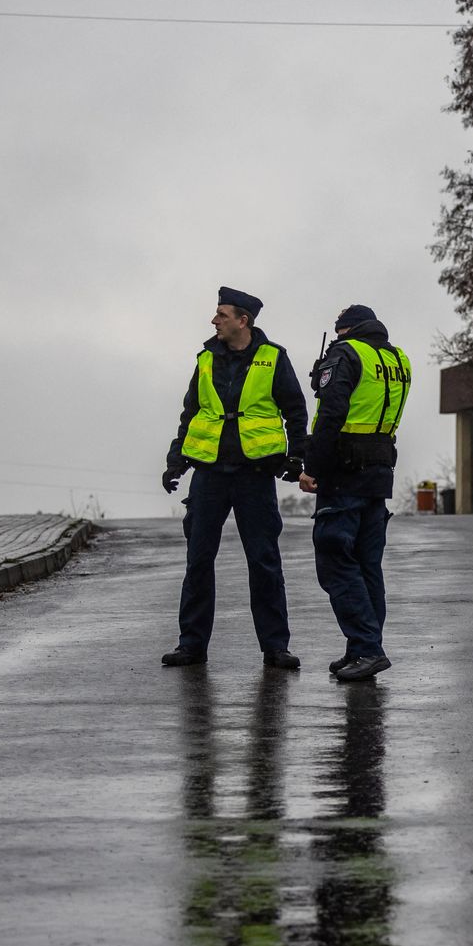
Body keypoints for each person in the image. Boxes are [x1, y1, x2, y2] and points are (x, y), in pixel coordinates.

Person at [161, 286, 309, 670]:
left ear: (243, 320)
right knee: (198, 560)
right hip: (209, 474)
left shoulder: (273, 358)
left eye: (222, 315)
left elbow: (295, 410)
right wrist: (176, 461)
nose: (214, 321)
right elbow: (191, 412)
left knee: (263, 561)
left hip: (254, 475)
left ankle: (275, 647)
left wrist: (296, 457)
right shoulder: (206, 359)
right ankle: (191, 645)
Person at [299, 304, 410, 682]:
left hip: (343, 473)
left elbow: (331, 414)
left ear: (344, 329)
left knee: (335, 558)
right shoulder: (398, 360)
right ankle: (361, 647)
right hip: (379, 472)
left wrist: (311, 467)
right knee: (366, 565)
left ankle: (367, 649)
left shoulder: (344, 354)